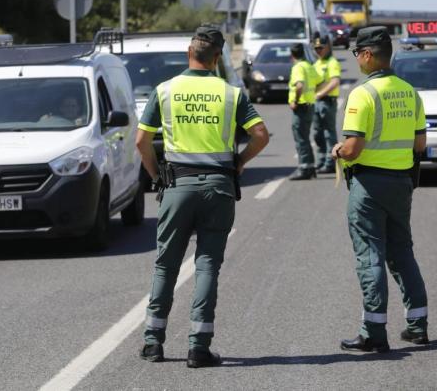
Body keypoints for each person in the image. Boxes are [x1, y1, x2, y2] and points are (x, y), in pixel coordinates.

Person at [136, 26, 269, 368]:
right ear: (217, 59)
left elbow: (141, 141)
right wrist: (239, 162)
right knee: (207, 264)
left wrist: (156, 177)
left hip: (177, 186)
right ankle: (198, 347)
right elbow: (260, 134)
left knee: (166, 264)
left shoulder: (165, 90)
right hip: (218, 187)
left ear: (188, 53)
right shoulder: (230, 94)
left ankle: (153, 341)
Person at [331, 26, 429, 353]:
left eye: (357, 53)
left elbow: (353, 148)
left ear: (368, 54)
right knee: (402, 252)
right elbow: (420, 143)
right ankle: (417, 325)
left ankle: (373, 332)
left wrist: (338, 150)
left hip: (369, 185)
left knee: (370, 255)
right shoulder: (410, 92)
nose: (356, 59)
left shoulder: (363, 94)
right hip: (402, 183)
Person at [288, 42, 321, 180]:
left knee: (300, 139)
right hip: (310, 105)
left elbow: (299, 85)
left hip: (301, 107)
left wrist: (295, 100)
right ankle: (311, 167)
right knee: (305, 137)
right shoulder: (309, 66)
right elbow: (319, 82)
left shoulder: (298, 67)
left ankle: (304, 169)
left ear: (292, 55)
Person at [312, 36, 341, 174]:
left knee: (329, 133)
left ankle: (331, 162)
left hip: (327, 101)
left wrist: (320, 94)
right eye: (316, 48)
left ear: (327, 47)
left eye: (321, 48)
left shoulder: (332, 62)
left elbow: (335, 82)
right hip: (316, 102)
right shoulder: (317, 63)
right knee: (317, 133)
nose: (318, 51)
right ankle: (321, 160)